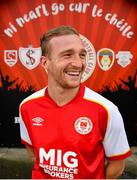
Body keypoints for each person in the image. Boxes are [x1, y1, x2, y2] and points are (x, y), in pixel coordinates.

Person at [19, 25, 131, 179]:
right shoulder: (27, 106)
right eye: (67, 55)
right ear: (45, 63)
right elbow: (33, 153)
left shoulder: (106, 110)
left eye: (82, 55)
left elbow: (117, 167)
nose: (78, 64)